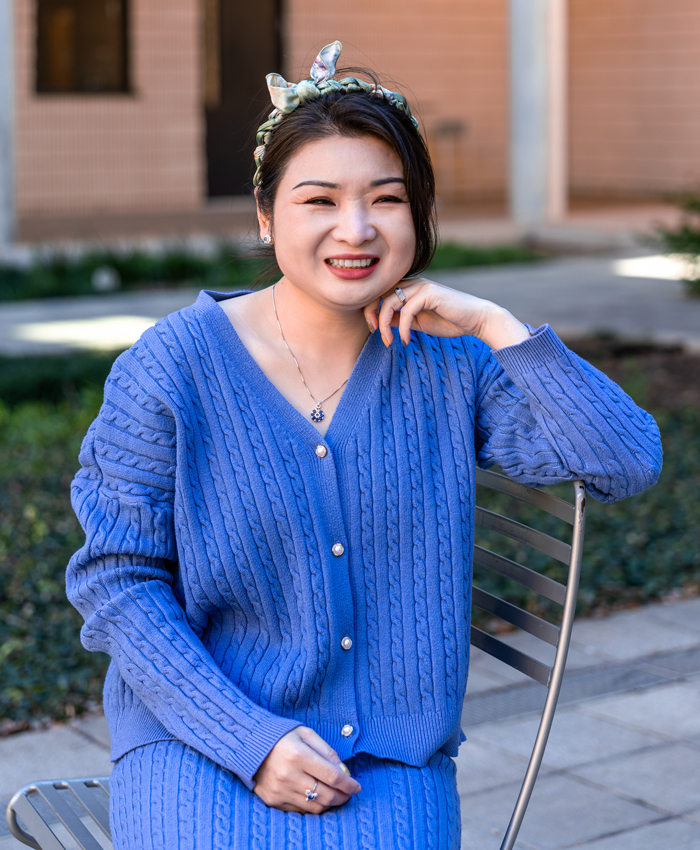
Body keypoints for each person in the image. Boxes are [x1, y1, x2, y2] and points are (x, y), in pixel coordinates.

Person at [66, 41, 662, 850]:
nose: (356, 229)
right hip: (199, 732)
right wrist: (251, 739)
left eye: (386, 199)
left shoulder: (453, 363)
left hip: (388, 756)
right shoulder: (171, 366)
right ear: (265, 215)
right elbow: (117, 580)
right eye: (319, 200)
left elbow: (625, 462)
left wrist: (500, 328)